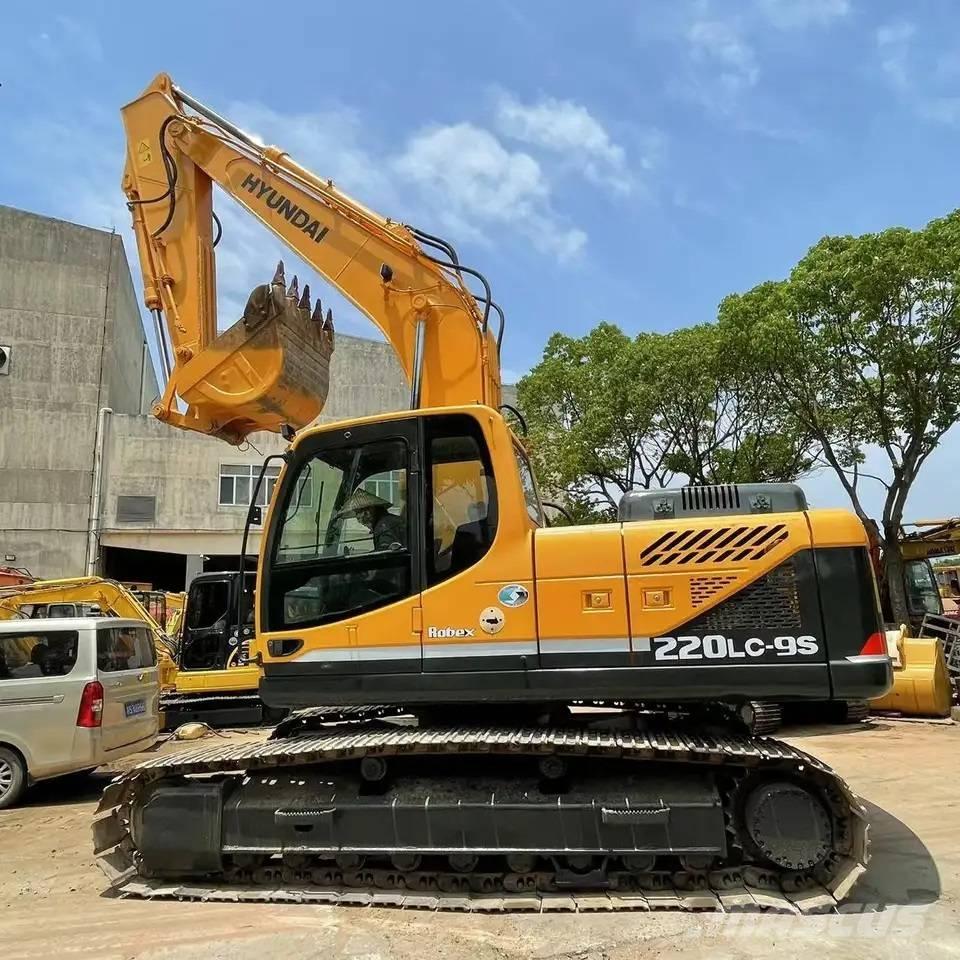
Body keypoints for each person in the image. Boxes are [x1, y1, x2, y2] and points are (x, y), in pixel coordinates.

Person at [337, 488, 405, 551]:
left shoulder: (383, 527)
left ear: (370, 510)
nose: (358, 519)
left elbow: (385, 554)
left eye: (358, 512)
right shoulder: (387, 521)